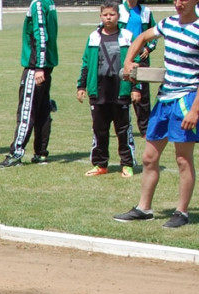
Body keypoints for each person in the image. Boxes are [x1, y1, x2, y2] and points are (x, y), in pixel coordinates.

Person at [114, 0, 199, 229]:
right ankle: (144, 208)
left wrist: (195, 110)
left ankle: (181, 212)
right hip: (164, 99)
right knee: (149, 157)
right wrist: (128, 60)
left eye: (184, 0)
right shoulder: (168, 24)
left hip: (186, 100)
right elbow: (142, 37)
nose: (179, 3)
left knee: (183, 159)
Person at [76, 0, 139, 178]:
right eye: (105, 15)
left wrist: (136, 88)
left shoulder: (127, 36)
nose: (108, 18)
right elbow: (86, 63)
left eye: (112, 14)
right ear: (100, 16)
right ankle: (100, 164)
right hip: (99, 91)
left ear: (118, 16)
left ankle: (127, 163)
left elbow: (136, 66)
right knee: (99, 130)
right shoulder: (93, 37)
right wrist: (81, 86)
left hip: (121, 90)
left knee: (123, 130)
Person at [0, 0, 59, 168]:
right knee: (43, 111)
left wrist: (39, 66)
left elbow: (41, 35)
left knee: (26, 111)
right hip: (46, 64)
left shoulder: (38, 4)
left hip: (35, 66)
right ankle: (41, 153)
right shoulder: (49, 3)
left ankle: (16, 153)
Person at [119, 0, 157, 136]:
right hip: (122, 55)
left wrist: (149, 48)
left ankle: (145, 129)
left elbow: (154, 32)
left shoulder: (145, 11)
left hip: (141, 57)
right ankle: (119, 126)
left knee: (142, 96)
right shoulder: (117, 10)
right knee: (120, 92)